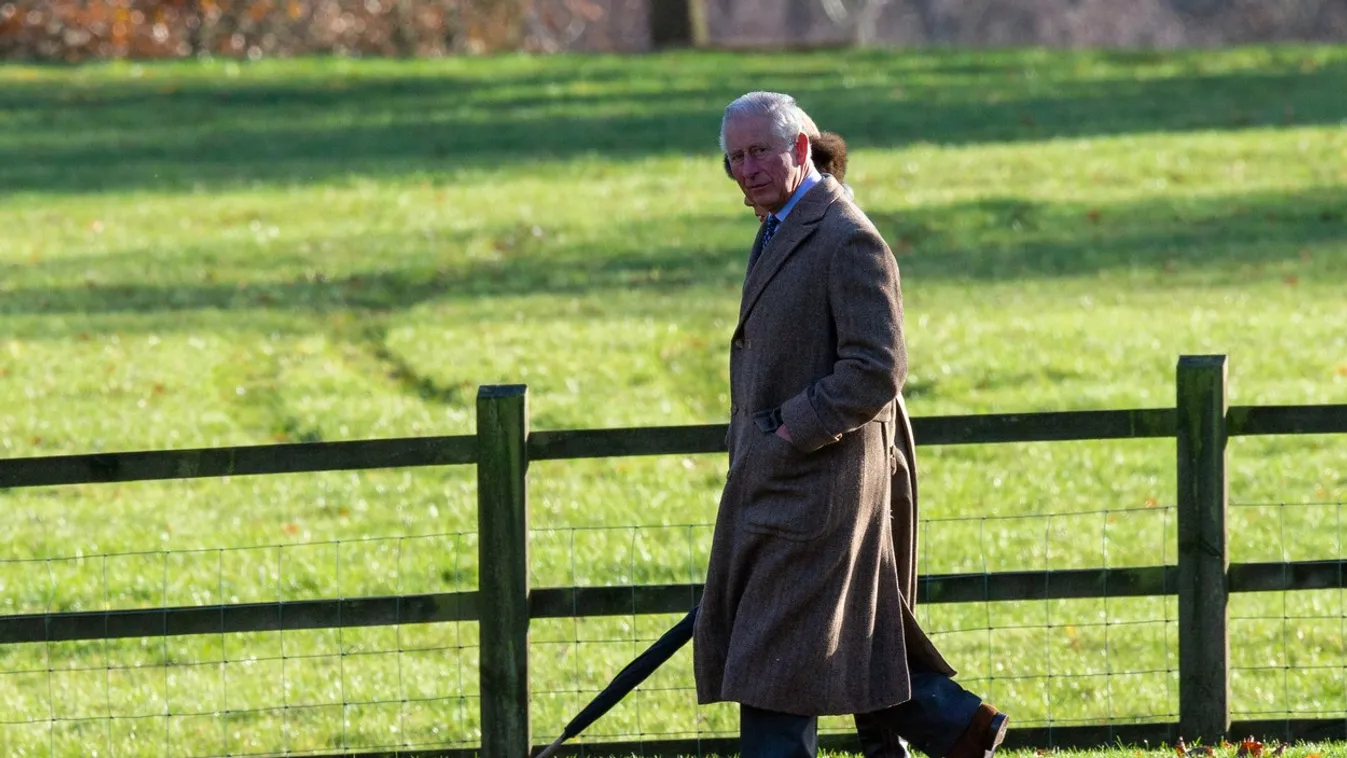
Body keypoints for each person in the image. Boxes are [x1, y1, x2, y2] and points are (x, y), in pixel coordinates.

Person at [693, 91, 1009, 758]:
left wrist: (787, 431)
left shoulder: (845, 236)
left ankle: (953, 727)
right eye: (733, 159)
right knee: (835, 639)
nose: (745, 170)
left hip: (820, 486)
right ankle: (957, 728)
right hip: (784, 483)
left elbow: (874, 368)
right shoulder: (781, 222)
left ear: (800, 149)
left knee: (774, 656)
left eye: (758, 153)